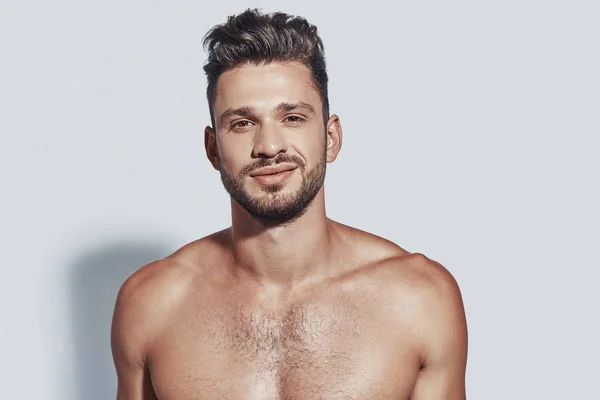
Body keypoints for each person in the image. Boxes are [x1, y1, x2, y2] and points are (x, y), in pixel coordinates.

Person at [111, 8, 468, 400]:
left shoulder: (418, 299)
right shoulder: (151, 303)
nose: (269, 146)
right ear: (213, 149)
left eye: (293, 117)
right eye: (243, 123)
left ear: (330, 138)